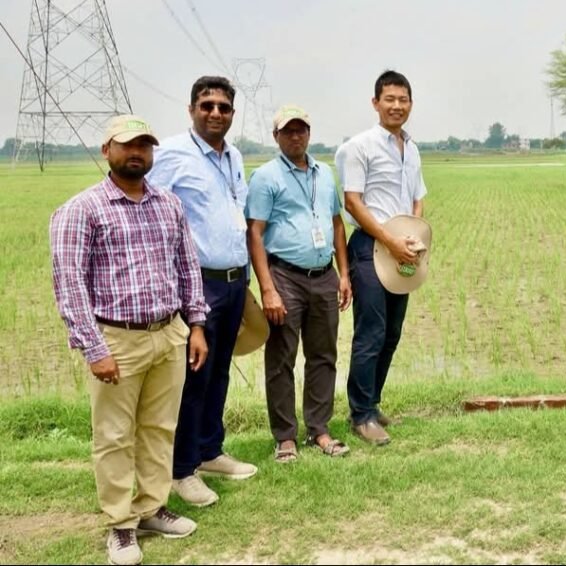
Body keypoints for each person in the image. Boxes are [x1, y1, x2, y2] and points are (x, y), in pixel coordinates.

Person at [50, 115, 209, 565]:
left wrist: (196, 325)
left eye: (144, 144)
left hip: (169, 333)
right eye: (127, 144)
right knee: (115, 436)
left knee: (159, 429)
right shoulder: (82, 209)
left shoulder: (168, 205)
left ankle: (152, 508)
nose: (137, 152)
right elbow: (69, 284)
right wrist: (93, 347)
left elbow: (187, 267)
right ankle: (120, 524)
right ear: (108, 150)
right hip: (117, 340)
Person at [147, 76, 257, 507]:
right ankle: (182, 469)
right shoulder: (172, 153)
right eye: (207, 105)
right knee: (194, 377)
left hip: (234, 280)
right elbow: (152, 216)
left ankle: (210, 450)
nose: (215, 113)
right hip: (197, 283)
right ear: (191, 109)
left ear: (232, 114)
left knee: (220, 370)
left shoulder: (234, 156)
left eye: (223, 107)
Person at [246, 105, 353, 462]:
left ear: (309, 133)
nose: (295, 136)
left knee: (323, 356)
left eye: (301, 130)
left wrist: (344, 274)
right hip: (284, 276)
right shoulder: (266, 177)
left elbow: (336, 224)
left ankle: (319, 430)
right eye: (288, 131)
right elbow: (255, 233)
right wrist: (267, 289)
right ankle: (285, 437)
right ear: (276, 136)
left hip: (324, 275)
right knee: (282, 358)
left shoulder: (324, 173)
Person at [335, 70, 426, 446]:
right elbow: (352, 202)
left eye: (403, 99)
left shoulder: (412, 148)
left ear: (411, 104)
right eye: (389, 99)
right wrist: (390, 240)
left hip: (403, 248)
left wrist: (414, 235)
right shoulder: (359, 147)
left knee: (391, 332)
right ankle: (361, 415)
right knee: (371, 332)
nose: (396, 106)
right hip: (370, 247)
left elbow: (418, 197)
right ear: (375, 103)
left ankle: (372, 402)